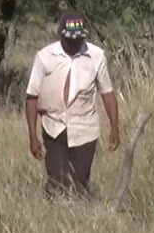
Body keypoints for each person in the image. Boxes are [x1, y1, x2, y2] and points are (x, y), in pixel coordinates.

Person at [25, 11, 121, 199]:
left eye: (78, 40)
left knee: (80, 182)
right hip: (53, 126)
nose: (74, 44)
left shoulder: (96, 56)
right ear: (61, 36)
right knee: (56, 180)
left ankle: (81, 220)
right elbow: (32, 97)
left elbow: (107, 93)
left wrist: (115, 127)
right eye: (69, 40)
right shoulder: (45, 57)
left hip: (85, 128)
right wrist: (33, 136)